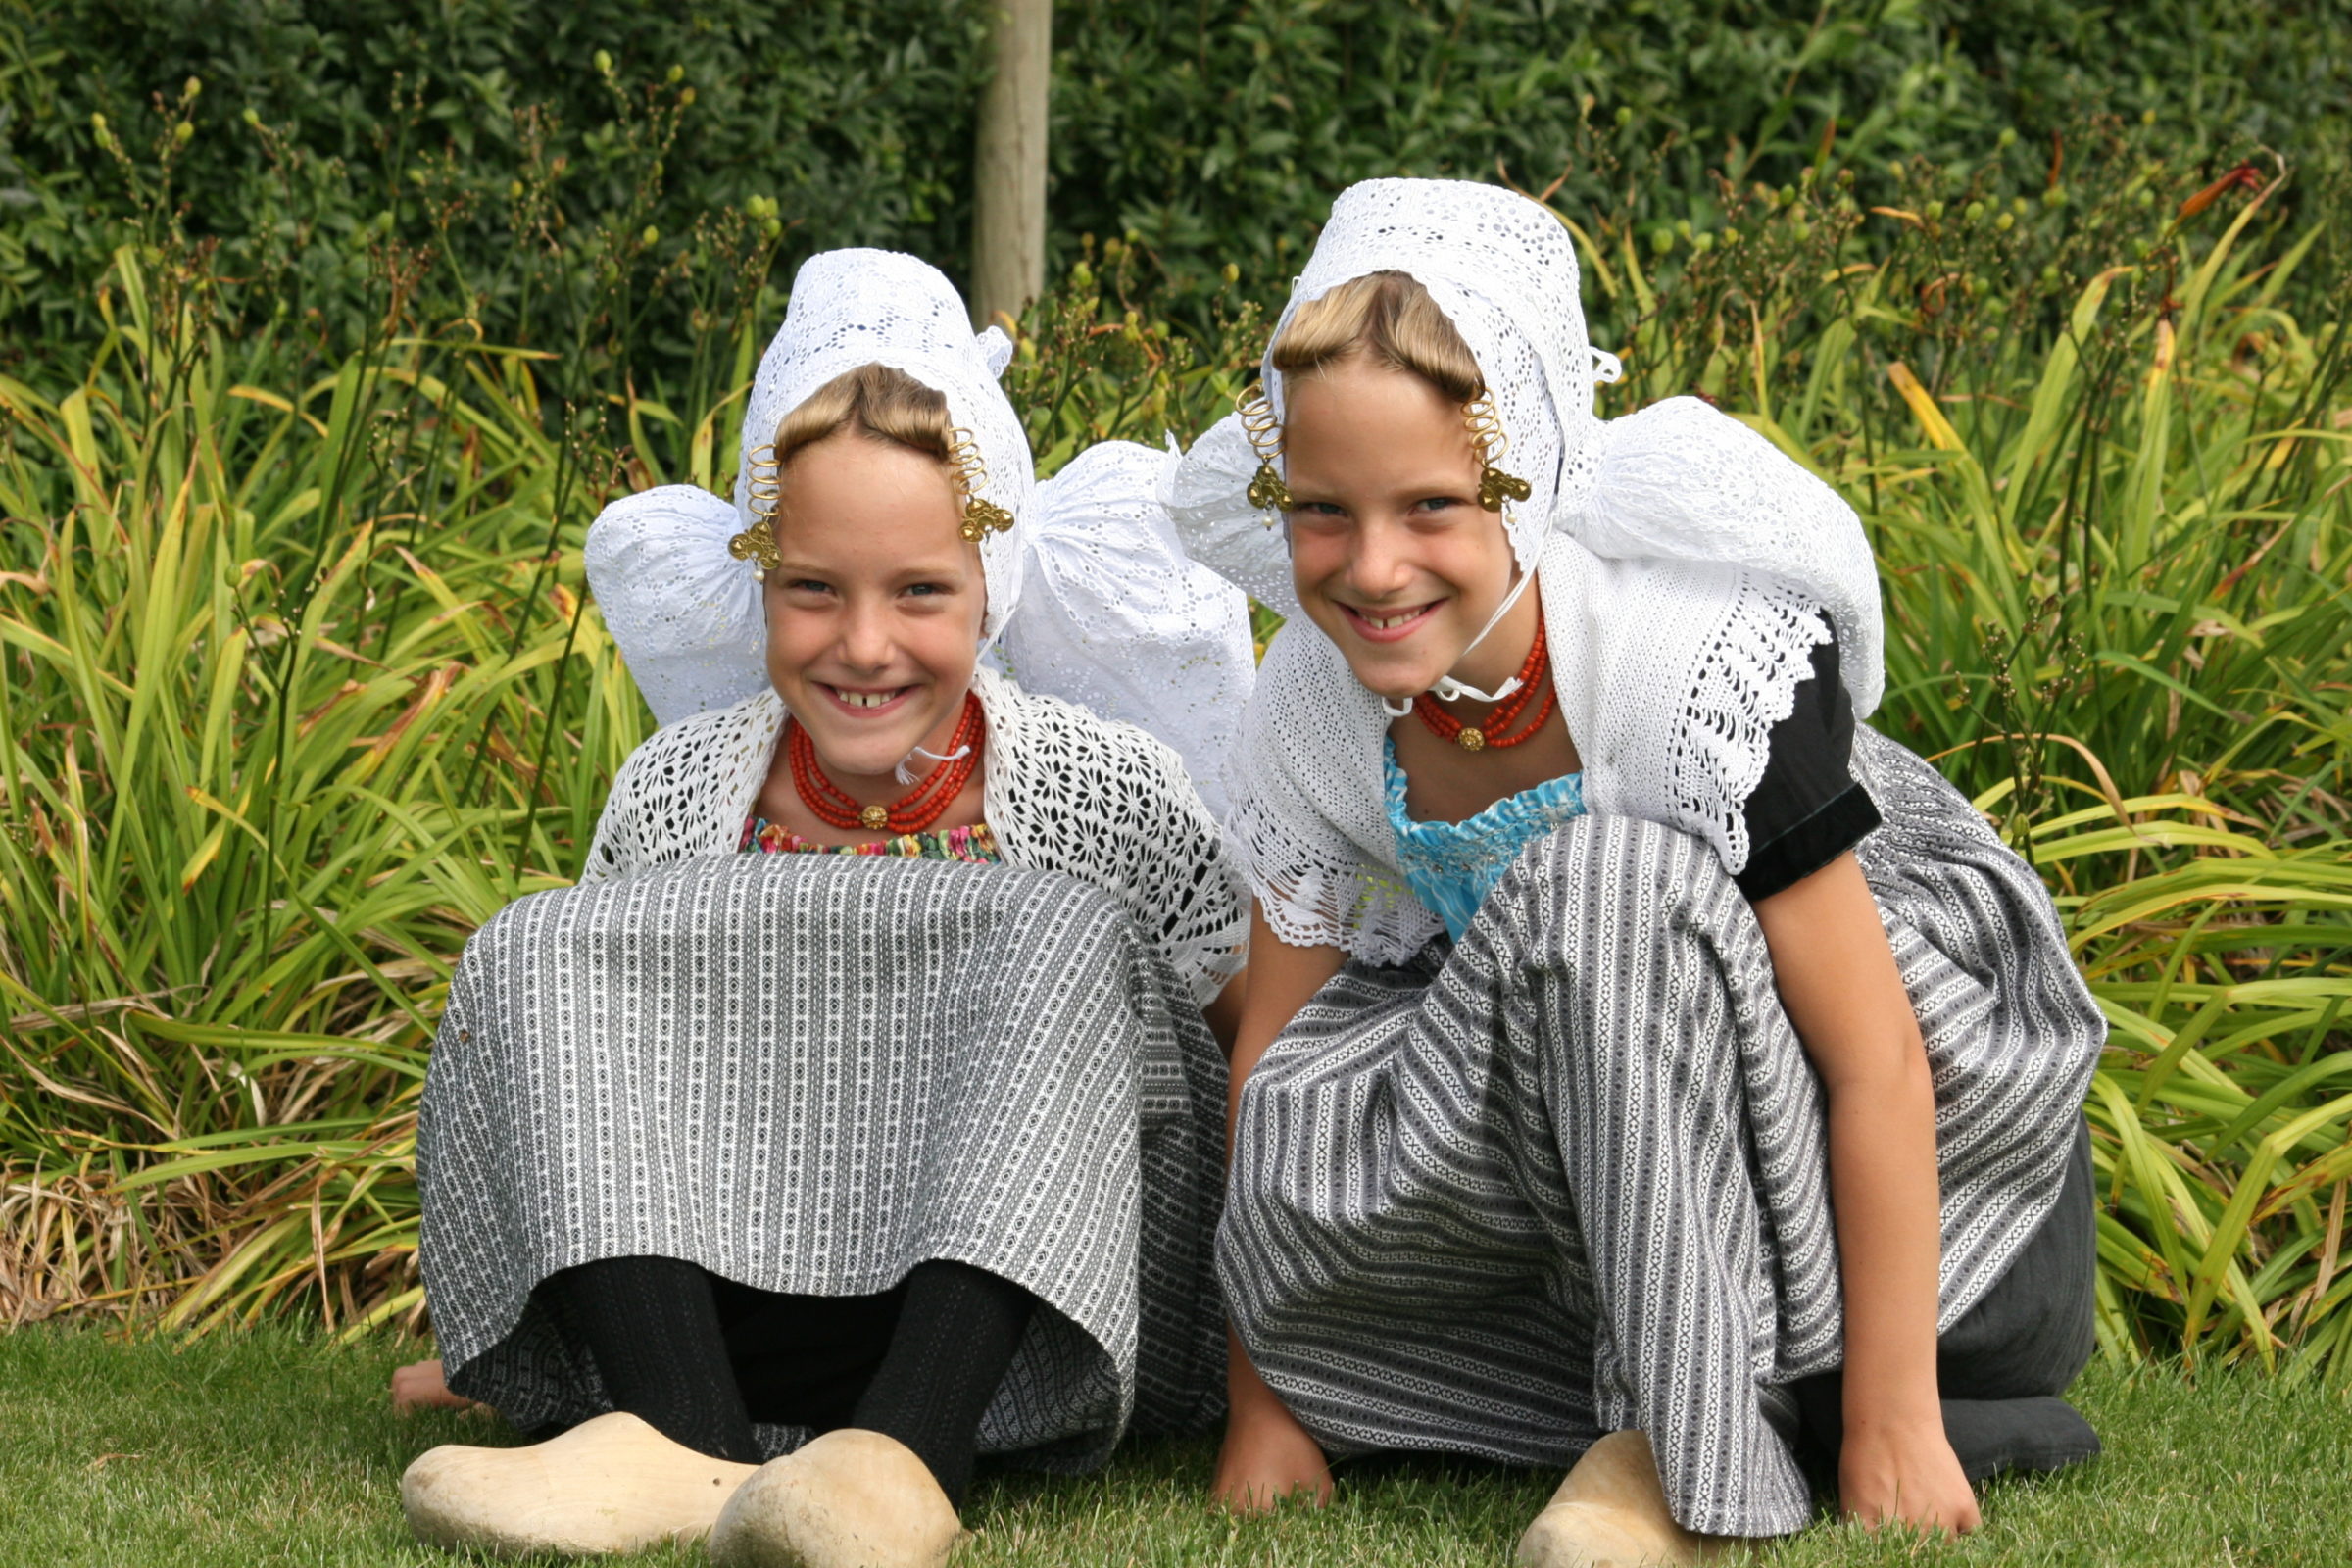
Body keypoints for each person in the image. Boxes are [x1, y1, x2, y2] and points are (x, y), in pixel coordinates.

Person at [1166, 179, 2104, 1565]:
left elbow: (1878, 1061)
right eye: (1323, 510)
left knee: (1598, 889)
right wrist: (1270, 1395)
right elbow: (1276, 1067)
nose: (1372, 567)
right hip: (1610, 1124)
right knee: (1273, 1021)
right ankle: (1607, 1388)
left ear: (1528, 480)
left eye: (1434, 504)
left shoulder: (1689, 671)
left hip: (1905, 1172)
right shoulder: (1316, 701)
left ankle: (1705, 1447)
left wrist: (1895, 1417)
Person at [398, 249, 1252, 1568]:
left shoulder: (1103, 789)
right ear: (761, 579)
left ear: (992, 587)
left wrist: (1279, 1367)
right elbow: (603, 1101)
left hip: (1025, 1318)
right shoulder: (683, 790)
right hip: (752, 1312)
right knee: (543, 940)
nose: (864, 645)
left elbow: (1236, 1042)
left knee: (1061, 927)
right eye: (814, 589)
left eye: (921, 591)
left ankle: (911, 1454)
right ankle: (675, 1431)